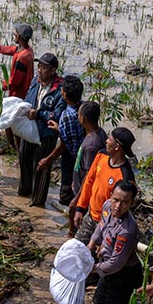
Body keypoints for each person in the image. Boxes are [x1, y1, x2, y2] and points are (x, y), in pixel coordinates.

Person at [54, 179, 142, 304]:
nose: (118, 206)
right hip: (106, 268)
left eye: (124, 202)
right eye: (116, 199)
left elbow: (115, 264)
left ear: (131, 203)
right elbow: (100, 228)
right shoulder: (107, 207)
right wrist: (91, 246)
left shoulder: (128, 230)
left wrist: (90, 268)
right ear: (111, 196)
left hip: (124, 275)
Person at [72, 127, 135, 245]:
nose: (106, 141)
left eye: (109, 139)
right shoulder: (101, 155)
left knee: (98, 258)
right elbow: (89, 181)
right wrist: (80, 208)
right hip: (90, 216)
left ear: (117, 147)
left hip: (107, 225)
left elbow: (123, 207)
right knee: (76, 249)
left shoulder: (125, 176)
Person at [20, 54, 64, 206]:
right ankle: (24, 194)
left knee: (41, 167)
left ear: (52, 70)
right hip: (29, 129)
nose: (39, 70)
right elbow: (28, 98)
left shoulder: (59, 89)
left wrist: (39, 114)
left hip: (46, 134)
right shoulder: (35, 81)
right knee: (24, 159)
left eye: (43, 68)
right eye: (39, 66)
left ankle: (37, 202)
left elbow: (58, 114)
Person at [37, 73, 82, 208]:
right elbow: (72, 133)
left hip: (72, 157)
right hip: (80, 154)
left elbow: (63, 144)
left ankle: (73, 220)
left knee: (67, 194)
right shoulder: (82, 107)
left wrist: (48, 160)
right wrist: (59, 128)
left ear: (64, 95)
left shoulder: (67, 116)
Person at [68, 101, 106, 235]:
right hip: (81, 188)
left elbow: (90, 175)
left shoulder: (91, 145)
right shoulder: (98, 133)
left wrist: (77, 199)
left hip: (86, 195)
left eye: (78, 114)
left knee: (80, 226)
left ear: (82, 118)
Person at [0, 22, 34, 99]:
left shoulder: (22, 58)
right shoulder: (27, 50)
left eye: (15, 33)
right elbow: (10, 49)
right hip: (24, 92)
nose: (14, 35)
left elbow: (14, 82)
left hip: (18, 95)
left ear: (18, 36)